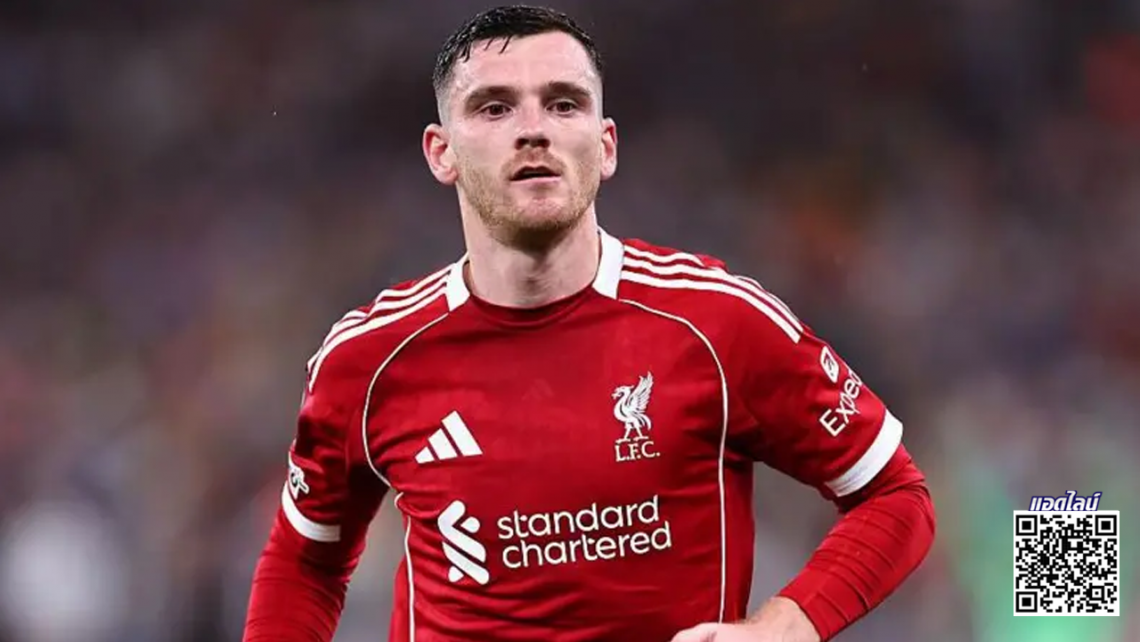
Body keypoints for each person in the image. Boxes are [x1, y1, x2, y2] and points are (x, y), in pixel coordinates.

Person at [242, 5, 936, 641]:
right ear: (441, 151)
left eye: (563, 103)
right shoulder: (367, 359)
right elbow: (306, 561)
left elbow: (897, 494)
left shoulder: (718, 324)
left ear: (605, 146)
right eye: (494, 107)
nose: (533, 129)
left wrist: (783, 627)